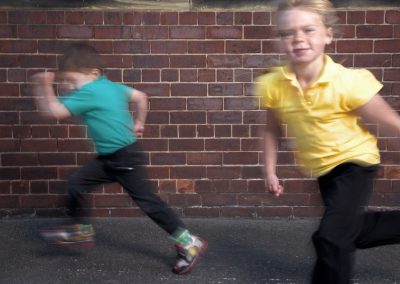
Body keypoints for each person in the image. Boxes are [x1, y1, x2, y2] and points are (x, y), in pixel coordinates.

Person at [31, 42, 207, 275]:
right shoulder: (112, 87)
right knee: (76, 182)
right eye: (67, 82)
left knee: (149, 203)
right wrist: (140, 122)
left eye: (73, 81)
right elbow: (142, 97)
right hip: (111, 158)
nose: (71, 87)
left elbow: (53, 112)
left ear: (93, 74)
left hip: (125, 159)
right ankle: (81, 231)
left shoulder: (90, 91)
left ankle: (189, 242)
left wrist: (42, 86)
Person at [256, 0, 400, 283]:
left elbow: (390, 123)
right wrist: (270, 169)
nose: (298, 39)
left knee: (331, 239)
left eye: (308, 29)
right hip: (322, 170)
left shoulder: (348, 82)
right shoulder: (273, 83)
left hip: (355, 163)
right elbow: (271, 129)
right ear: (279, 39)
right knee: (343, 231)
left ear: (328, 35)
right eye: (287, 33)